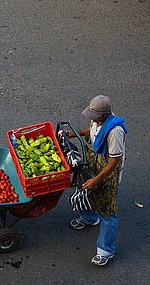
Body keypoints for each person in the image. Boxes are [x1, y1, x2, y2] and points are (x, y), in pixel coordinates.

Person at [69, 95, 128, 266]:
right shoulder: (99, 120)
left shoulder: (115, 131)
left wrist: (96, 179)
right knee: (86, 190)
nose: (91, 118)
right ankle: (89, 217)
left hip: (106, 173)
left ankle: (106, 250)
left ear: (104, 115)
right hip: (93, 163)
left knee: (108, 211)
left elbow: (114, 160)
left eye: (94, 116)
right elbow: (92, 131)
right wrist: (74, 134)